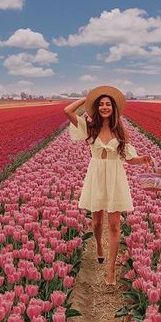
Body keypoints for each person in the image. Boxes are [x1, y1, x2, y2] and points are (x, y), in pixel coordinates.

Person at [64, 85, 152, 285]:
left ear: (113, 108)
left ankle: (111, 271)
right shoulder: (89, 127)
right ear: (97, 107)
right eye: (101, 104)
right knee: (96, 223)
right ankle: (98, 245)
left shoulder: (120, 131)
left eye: (108, 104)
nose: (104, 107)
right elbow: (67, 111)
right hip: (96, 175)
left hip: (115, 178)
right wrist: (86, 100)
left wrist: (143, 159)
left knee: (114, 225)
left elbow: (129, 159)